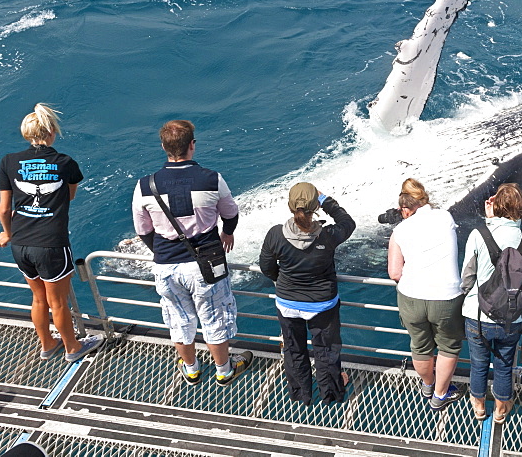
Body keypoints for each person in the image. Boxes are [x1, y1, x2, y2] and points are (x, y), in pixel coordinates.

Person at [132, 119, 252, 386]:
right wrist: (227, 234)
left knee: (178, 318)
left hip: (166, 266)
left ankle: (192, 369)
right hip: (205, 264)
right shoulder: (211, 178)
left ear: (164, 146)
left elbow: (143, 230)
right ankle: (224, 370)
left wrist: (162, 252)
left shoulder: (144, 186)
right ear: (192, 146)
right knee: (214, 316)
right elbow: (231, 213)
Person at [0, 104, 103, 362]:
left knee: (38, 299)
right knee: (58, 303)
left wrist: (7, 233)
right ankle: (73, 349)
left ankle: (47, 345)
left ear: (26, 133)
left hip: (20, 243)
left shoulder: (9, 161)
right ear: (52, 131)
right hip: (52, 243)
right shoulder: (65, 163)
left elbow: (3, 209)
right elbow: (70, 195)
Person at [259, 182, 355, 404]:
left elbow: (267, 267)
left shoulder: (275, 234)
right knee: (326, 350)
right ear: (314, 209)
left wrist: (282, 280)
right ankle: (330, 393)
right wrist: (325, 200)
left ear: (290, 206)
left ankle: (301, 394)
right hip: (322, 305)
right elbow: (348, 222)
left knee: (293, 349)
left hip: (287, 303)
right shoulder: (328, 235)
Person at [387, 178, 465, 411]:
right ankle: (440, 395)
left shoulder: (399, 230)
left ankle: (428, 385)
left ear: (405, 209)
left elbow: (394, 272)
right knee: (448, 347)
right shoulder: (445, 217)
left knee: (420, 348)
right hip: (446, 297)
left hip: (412, 296)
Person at [460, 183, 522, 423]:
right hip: (512, 317)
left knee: (479, 365)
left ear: (496, 205)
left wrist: (490, 221)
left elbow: (467, 275)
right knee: (504, 366)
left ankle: (479, 407)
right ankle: (501, 410)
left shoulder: (479, 234)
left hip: (478, 314)